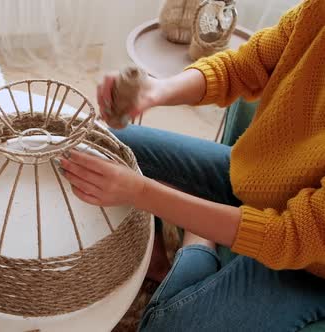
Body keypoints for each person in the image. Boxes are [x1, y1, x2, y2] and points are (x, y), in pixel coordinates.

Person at [57, 0, 325, 331]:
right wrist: (155, 91)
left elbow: (290, 235)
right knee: (104, 144)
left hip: (312, 266)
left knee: (161, 326)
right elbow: (246, 64)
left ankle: (198, 241)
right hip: (259, 181)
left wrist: (141, 192)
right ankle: (160, 265)